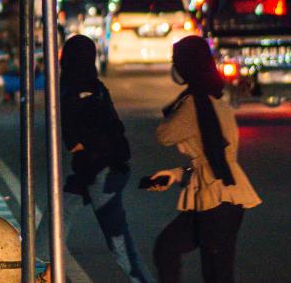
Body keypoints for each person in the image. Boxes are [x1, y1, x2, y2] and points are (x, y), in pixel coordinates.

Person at [40, 35, 153, 283]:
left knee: (118, 241)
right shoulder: (95, 87)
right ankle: (45, 270)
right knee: (59, 211)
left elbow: (78, 135)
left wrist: (80, 144)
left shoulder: (76, 90)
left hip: (100, 171)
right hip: (96, 168)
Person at [149, 36, 261, 283]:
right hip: (216, 196)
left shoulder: (193, 104)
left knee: (215, 273)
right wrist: (179, 174)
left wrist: (178, 107)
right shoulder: (214, 98)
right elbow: (211, 154)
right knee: (168, 247)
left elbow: (165, 135)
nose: (174, 67)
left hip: (218, 201)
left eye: (176, 62)